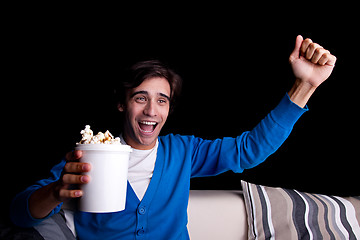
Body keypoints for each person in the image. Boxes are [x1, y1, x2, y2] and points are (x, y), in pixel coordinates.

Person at [10, 35, 336, 239]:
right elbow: (20, 213)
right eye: (141, 97)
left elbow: (248, 150)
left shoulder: (183, 152)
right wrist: (57, 191)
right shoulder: (91, 154)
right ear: (122, 104)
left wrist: (304, 87)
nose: (152, 110)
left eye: (162, 100)